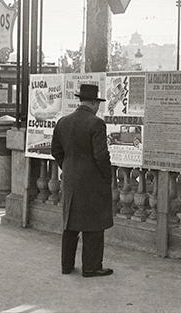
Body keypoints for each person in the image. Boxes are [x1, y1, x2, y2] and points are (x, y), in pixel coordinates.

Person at [51, 84, 114, 277]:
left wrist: (68, 167)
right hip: (92, 180)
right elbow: (101, 155)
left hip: (70, 179)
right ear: (94, 103)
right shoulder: (96, 124)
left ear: (80, 101)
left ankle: (66, 266)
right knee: (94, 225)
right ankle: (91, 267)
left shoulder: (63, 122)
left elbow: (56, 151)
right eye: (97, 104)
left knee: (70, 223)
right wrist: (106, 176)